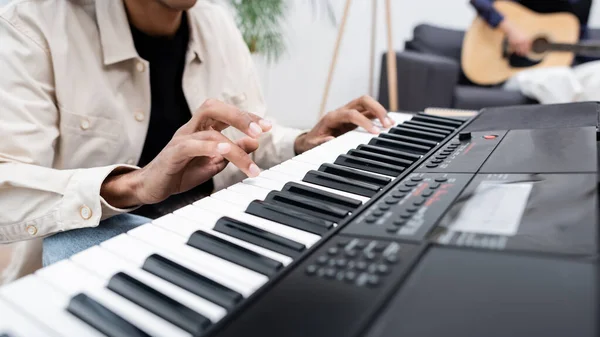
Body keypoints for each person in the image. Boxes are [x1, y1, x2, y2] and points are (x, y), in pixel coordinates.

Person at [0, 0, 394, 283]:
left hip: (211, 233)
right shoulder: (32, 24)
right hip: (103, 252)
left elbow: (250, 140)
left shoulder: (215, 22)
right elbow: (8, 190)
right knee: (71, 244)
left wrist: (304, 141)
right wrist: (132, 185)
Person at [469, 0, 600, 104]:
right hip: (514, 70)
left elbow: (577, 46)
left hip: (561, 65)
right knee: (558, 78)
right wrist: (511, 30)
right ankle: (569, 132)